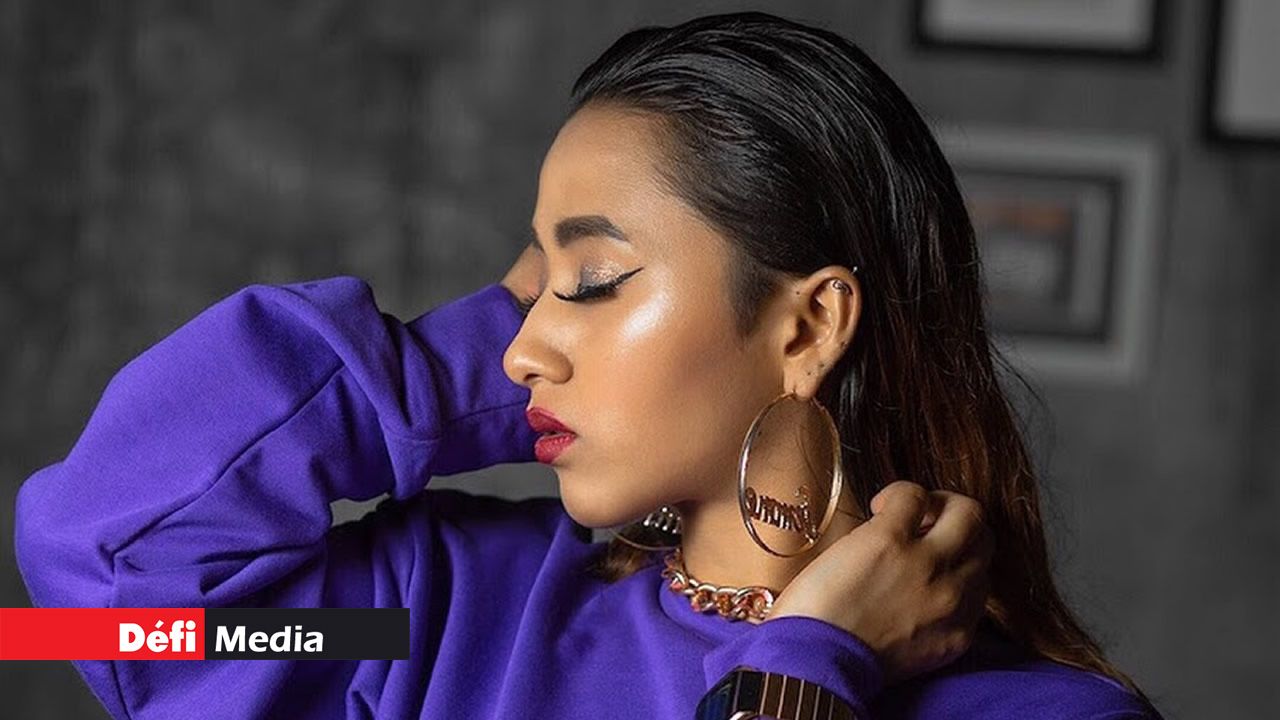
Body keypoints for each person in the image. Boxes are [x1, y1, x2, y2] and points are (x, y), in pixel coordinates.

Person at [13, 11, 1163, 720]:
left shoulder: (1041, 715)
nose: (519, 341)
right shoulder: (430, 618)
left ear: (809, 325)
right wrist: (448, 370)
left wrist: (804, 676)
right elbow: (94, 616)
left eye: (596, 278)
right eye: (529, 285)